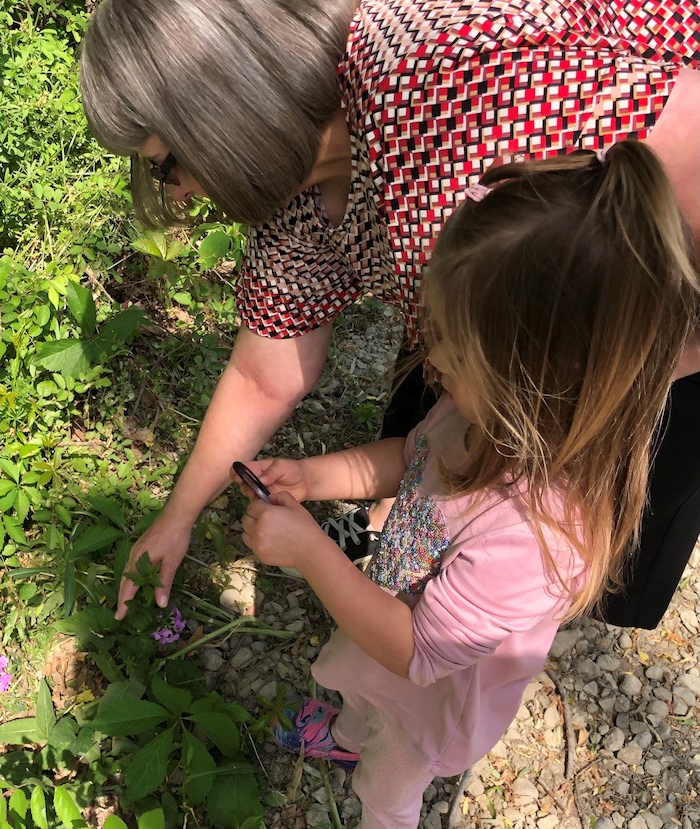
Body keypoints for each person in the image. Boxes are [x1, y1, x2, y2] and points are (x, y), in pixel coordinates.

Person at [79, 0, 700, 629]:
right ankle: (404, 548)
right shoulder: (299, 200)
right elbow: (264, 373)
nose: (177, 192)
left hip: (646, 342)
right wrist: (176, 516)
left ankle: (506, 616)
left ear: (222, 105)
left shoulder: (438, 71)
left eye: (166, 164)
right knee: (435, 443)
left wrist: (638, 373)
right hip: (490, 348)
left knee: (585, 530)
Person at [234, 144, 700, 829]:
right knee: (358, 690)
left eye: (452, 339)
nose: (432, 354)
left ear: (539, 377)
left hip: (430, 696)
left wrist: (310, 552)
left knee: (386, 788)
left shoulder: (532, 530)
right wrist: (314, 476)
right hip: (386, 617)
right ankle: (346, 731)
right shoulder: (480, 408)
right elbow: (409, 454)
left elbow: (418, 650)